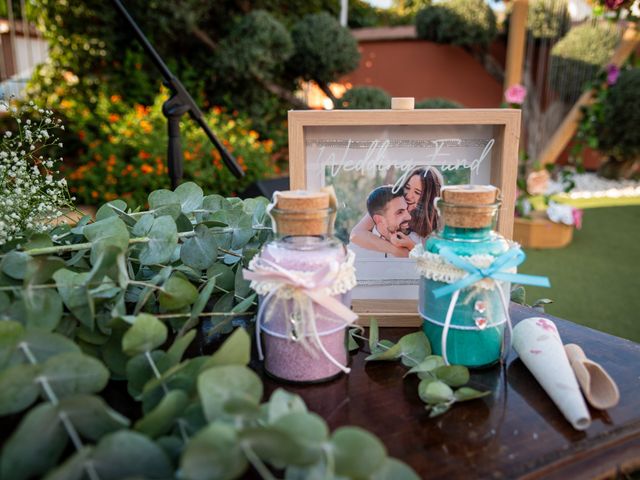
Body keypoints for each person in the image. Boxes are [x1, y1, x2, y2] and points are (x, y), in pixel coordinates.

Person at [349, 167, 443, 257]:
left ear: (428, 199)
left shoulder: (432, 224)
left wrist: (410, 245)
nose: (408, 196)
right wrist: (396, 251)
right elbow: (356, 234)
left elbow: (433, 260)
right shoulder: (391, 201)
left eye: (417, 192)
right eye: (407, 187)